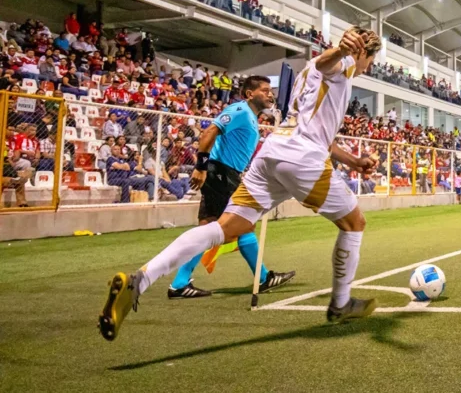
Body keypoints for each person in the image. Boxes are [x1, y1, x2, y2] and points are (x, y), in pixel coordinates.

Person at [99, 27, 382, 341]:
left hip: (273, 154)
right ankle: (341, 304)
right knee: (354, 223)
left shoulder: (314, 80)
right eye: (370, 60)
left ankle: (140, 280)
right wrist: (341, 51)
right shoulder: (339, 66)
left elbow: (318, 128)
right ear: (363, 52)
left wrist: (353, 161)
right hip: (303, 160)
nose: (369, 68)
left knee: (224, 227)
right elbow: (323, 64)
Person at [165, 75, 294, 299]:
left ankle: (180, 283)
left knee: (209, 227)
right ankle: (263, 278)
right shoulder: (240, 111)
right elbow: (209, 133)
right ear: (249, 94)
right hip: (220, 173)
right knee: (242, 224)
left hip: (226, 173)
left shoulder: (251, 118)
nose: (270, 94)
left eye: (270, 90)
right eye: (264, 90)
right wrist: (201, 167)